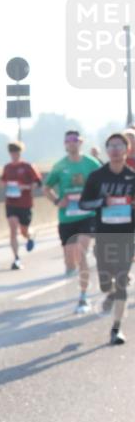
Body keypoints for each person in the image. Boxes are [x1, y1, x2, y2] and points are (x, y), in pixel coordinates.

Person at [79, 132, 135, 345]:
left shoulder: (132, 177)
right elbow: (84, 204)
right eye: (111, 146)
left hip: (126, 237)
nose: (115, 149)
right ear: (106, 150)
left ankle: (116, 329)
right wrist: (104, 202)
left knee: (121, 282)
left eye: (119, 145)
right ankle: (109, 293)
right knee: (105, 284)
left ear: (127, 150)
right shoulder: (96, 177)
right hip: (104, 235)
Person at [43, 130, 101, 314]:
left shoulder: (91, 163)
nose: (72, 143)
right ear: (65, 144)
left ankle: (83, 298)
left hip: (87, 215)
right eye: (68, 140)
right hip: (67, 217)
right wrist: (56, 201)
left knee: (82, 252)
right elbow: (46, 188)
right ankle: (70, 266)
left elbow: (102, 183)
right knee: (71, 261)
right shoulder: (60, 166)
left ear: (80, 142)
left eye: (75, 140)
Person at [0, 141, 43, 270]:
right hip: (11, 202)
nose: (14, 155)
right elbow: (2, 180)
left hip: (25, 203)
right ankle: (16, 258)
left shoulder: (28, 166)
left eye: (16, 153)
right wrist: (3, 184)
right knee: (13, 229)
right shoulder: (7, 167)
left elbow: (38, 183)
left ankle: (30, 236)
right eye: (12, 153)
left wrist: (26, 187)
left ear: (20, 153)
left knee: (24, 231)